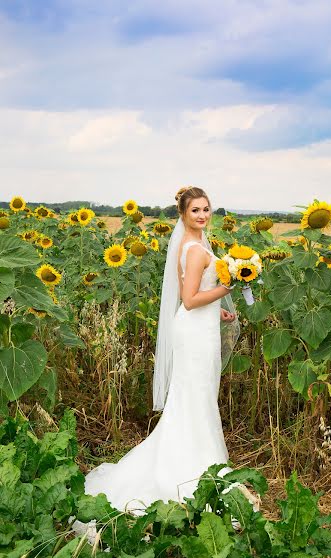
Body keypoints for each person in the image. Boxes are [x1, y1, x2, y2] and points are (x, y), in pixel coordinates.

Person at [78, 186, 258, 516]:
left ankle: (200, 462)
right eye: (195, 211)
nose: (203, 215)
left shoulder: (196, 244)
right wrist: (226, 287)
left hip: (198, 327)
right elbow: (189, 300)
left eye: (206, 209)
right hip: (193, 334)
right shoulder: (193, 249)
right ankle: (189, 469)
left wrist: (217, 308)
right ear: (183, 214)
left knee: (197, 394)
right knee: (194, 396)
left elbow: (189, 294)